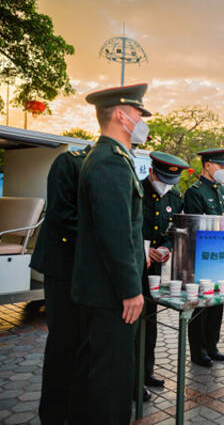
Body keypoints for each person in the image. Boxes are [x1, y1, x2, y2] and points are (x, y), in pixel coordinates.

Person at [71, 84, 150, 423]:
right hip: (110, 295)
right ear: (121, 115)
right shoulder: (109, 162)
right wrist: (130, 290)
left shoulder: (110, 157)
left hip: (102, 291)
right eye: (138, 114)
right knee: (112, 380)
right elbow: (115, 235)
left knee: (100, 373)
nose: (142, 120)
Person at [29, 145, 90, 424]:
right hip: (62, 266)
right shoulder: (69, 162)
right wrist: (102, 236)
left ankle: (75, 409)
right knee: (63, 343)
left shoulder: (108, 164)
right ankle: (53, 415)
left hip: (85, 268)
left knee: (81, 344)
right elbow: (61, 214)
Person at [139, 151, 188, 389]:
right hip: (133, 266)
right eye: (163, 180)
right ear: (151, 172)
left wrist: (166, 249)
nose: (166, 186)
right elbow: (125, 227)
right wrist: (143, 249)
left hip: (156, 269)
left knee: (149, 321)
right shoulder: (135, 192)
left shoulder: (175, 197)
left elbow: (173, 232)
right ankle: (131, 380)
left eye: (171, 182)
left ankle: (146, 372)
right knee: (132, 323)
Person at [183, 148, 224, 367]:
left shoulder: (223, 192)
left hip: (220, 257)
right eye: (221, 166)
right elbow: (194, 227)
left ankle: (212, 345)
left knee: (217, 303)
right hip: (202, 257)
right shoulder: (195, 192)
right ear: (208, 165)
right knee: (200, 305)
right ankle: (198, 350)